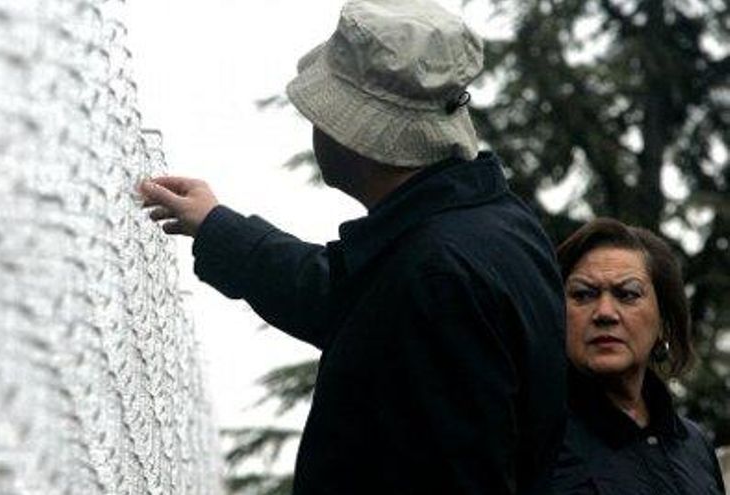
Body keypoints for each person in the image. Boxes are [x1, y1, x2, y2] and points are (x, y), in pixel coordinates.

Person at [138, 0, 566, 492]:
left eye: (323, 112)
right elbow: (347, 298)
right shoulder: (484, 226)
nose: (315, 126)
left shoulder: (436, 273)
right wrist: (217, 227)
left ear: (356, 136)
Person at [550, 218, 726, 494]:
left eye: (628, 294)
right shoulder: (532, 439)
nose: (605, 312)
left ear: (664, 322)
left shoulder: (694, 446)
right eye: (583, 294)